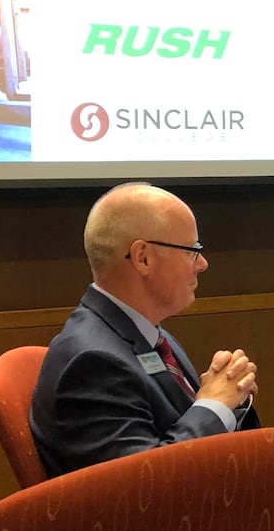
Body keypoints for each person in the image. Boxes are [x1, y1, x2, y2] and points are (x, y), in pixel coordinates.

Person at [31, 183, 258, 476]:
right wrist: (215, 405)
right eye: (192, 250)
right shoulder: (94, 362)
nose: (202, 264)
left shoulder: (147, 336)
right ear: (143, 258)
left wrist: (233, 398)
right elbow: (143, 488)